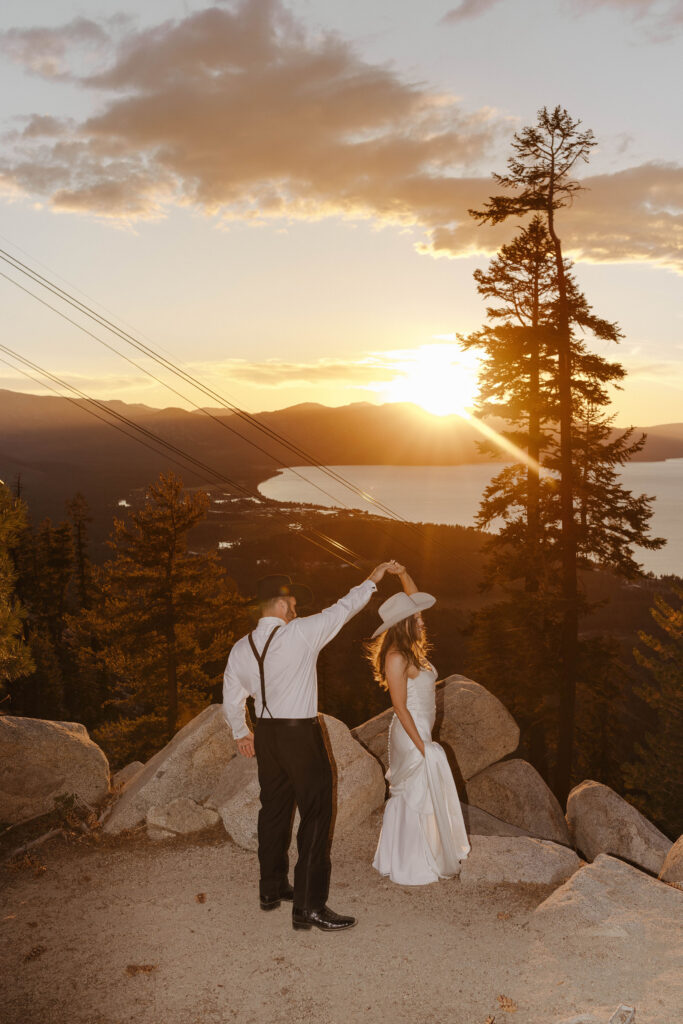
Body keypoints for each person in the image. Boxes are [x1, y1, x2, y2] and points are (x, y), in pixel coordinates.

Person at [222, 562, 397, 931]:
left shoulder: (241, 647)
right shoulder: (300, 633)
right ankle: (308, 906)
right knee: (316, 814)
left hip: (267, 735)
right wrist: (372, 580)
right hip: (299, 734)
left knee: (273, 811)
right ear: (283, 605)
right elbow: (344, 609)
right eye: (294, 603)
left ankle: (270, 889)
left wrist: (242, 731)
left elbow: (231, 697)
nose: (296, 609)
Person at [366, 564, 470, 885]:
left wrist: (403, 574)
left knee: (425, 790)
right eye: (417, 618)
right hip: (410, 733)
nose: (423, 620)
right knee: (415, 791)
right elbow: (398, 706)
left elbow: (417, 599)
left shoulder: (412, 649)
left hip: (421, 729)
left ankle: (425, 853)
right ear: (404, 624)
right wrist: (422, 745)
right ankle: (412, 863)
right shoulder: (396, 656)